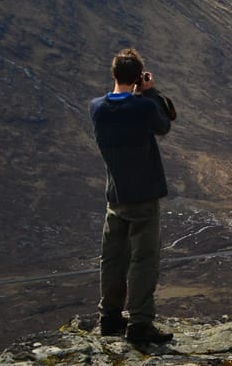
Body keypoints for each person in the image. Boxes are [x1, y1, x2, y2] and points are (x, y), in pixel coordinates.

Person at [88, 48, 177, 343]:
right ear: (139, 77)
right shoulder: (143, 107)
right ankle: (140, 323)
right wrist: (150, 93)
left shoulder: (96, 108)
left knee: (113, 258)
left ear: (113, 75)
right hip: (144, 196)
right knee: (143, 259)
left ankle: (110, 317)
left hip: (116, 196)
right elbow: (164, 124)